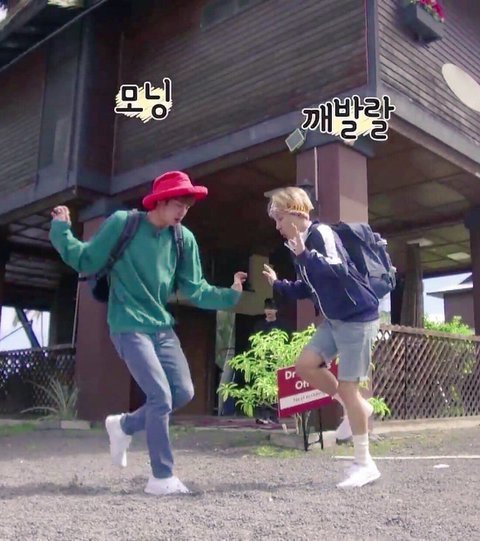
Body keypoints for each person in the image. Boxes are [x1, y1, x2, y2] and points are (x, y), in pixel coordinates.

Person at [49, 171, 247, 496]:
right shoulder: (123, 224)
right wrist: (61, 229)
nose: (184, 210)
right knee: (160, 396)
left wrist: (231, 295)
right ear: (160, 201)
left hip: (161, 327)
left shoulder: (183, 239)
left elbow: (195, 289)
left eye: (188, 205)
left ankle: (123, 425)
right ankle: (161, 477)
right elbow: (85, 259)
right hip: (127, 324)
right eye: (178, 203)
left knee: (182, 392)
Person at [262, 187, 380, 488]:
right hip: (335, 320)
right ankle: (357, 408)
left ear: (296, 212)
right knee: (305, 365)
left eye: (279, 218)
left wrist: (305, 254)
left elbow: (339, 270)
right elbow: (307, 287)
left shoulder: (321, 233)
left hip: (358, 318)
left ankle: (364, 464)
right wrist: (278, 284)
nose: (277, 226)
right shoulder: (298, 245)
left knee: (349, 389)